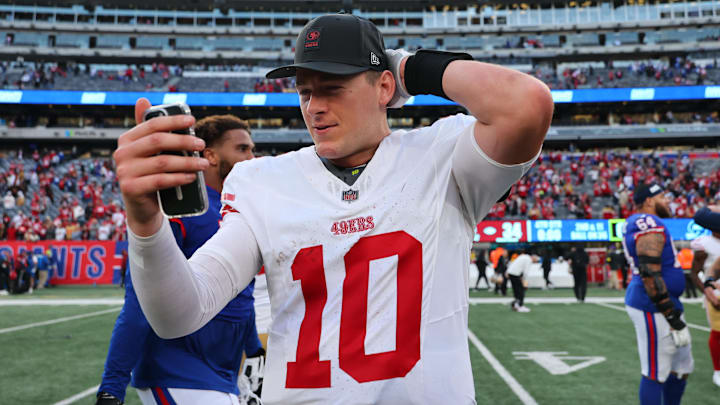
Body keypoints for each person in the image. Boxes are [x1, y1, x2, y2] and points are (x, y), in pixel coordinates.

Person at [113, 13, 552, 404]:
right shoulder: (262, 182)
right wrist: (146, 221)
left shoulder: (442, 156)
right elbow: (179, 315)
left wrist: (403, 66)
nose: (315, 107)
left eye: (333, 88)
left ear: (384, 88)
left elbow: (526, 104)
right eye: (306, 91)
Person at [96, 115, 263, 405]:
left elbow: (240, 294)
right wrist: (112, 387)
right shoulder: (179, 212)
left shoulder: (235, 212)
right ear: (209, 155)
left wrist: (254, 349)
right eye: (242, 149)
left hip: (223, 374)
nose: (252, 157)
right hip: (177, 371)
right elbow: (140, 299)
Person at [622, 183, 692, 405]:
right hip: (652, 305)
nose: (669, 200)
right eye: (663, 196)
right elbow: (649, 271)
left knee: (682, 368)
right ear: (650, 200)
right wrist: (670, 314)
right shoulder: (647, 221)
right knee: (655, 371)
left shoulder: (651, 222)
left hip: (666, 304)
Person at [689, 205, 720, 387]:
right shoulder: (704, 244)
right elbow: (697, 272)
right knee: (717, 332)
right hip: (717, 294)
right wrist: (708, 289)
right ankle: (718, 369)